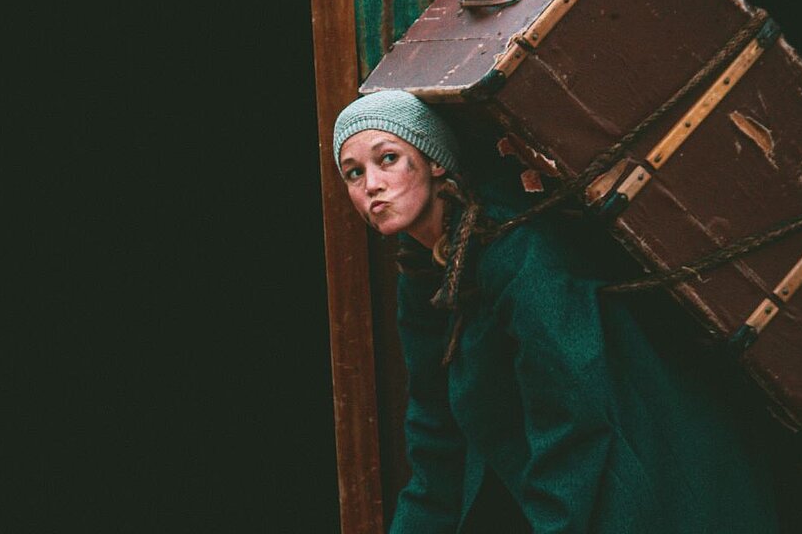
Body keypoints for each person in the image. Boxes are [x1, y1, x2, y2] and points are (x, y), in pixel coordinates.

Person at [333, 89, 779, 534]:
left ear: (435, 160)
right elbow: (435, 430)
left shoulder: (519, 251)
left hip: (649, 479)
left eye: (387, 159)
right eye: (354, 173)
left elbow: (572, 417)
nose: (371, 184)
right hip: (563, 485)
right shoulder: (423, 274)